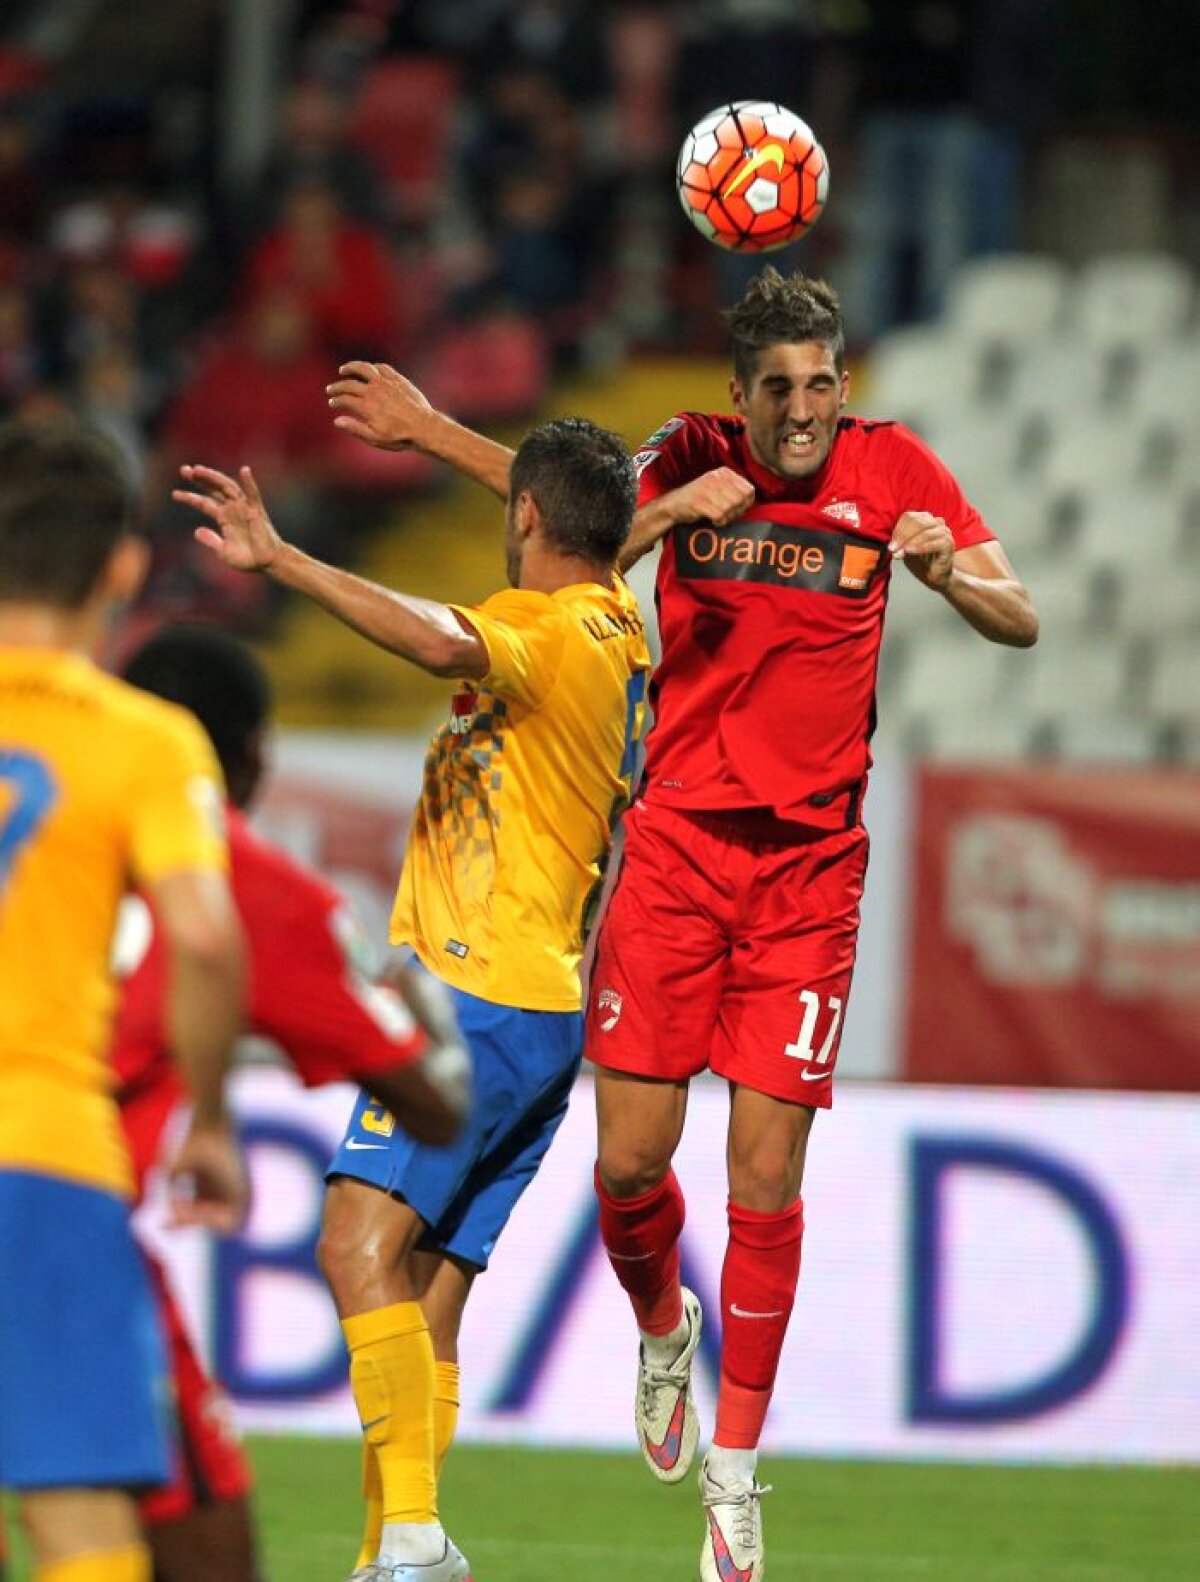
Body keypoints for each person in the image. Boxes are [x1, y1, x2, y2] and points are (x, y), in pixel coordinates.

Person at [324, 270, 1039, 1582]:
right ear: (737, 393)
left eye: (823, 382)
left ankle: (736, 1475)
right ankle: (665, 1324)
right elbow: (576, 522)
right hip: (673, 857)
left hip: (811, 875)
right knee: (630, 1172)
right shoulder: (691, 459)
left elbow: (1022, 612)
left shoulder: (894, 472)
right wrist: (448, 437)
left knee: (766, 1180)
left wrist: (948, 578)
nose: (805, 410)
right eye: (780, 387)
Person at [173, 412, 650, 1582]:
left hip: (477, 994)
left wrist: (283, 560)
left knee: (352, 1243)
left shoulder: (544, 627)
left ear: (525, 517)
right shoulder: (624, 627)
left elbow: (444, 645)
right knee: (430, 1290)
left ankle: (416, 1543)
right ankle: (398, 1551)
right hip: (543, 1004)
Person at [111, 623, 472, 1582]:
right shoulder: (249, 883)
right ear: (258, 757)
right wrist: (417, 1011)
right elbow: (434, 1107)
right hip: (59, 1225)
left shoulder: (46, 816)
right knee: (204, 1542)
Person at [0, 420, 248, 1582]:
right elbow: (201, 932)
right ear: (122, 566)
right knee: (81, 1524)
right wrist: (209, 1119)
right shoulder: (145, 740)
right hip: (41, 1153)